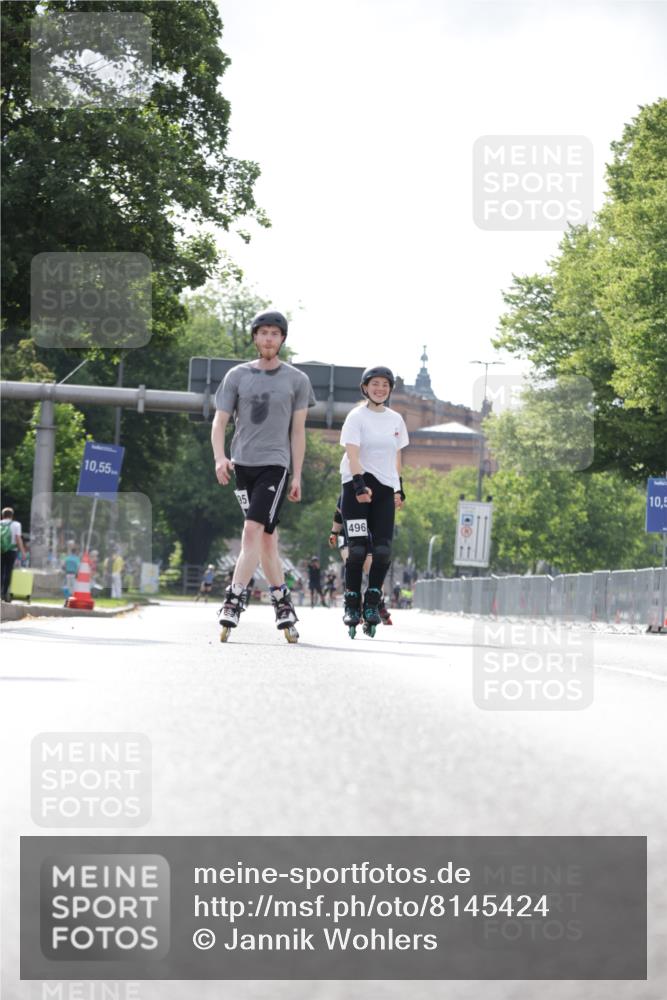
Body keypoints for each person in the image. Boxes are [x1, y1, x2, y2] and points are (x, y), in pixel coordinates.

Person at [211, 309, 316, 637]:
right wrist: (219, 458)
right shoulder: (236, 376)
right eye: (263, 332)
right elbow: (220, 422)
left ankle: (233, 598)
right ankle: (283, 603)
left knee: (251, 530)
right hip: (243, 464)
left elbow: (298, 432)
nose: (269, 338)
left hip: (275, 465)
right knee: (267, 540)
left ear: (282, 339)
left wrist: (296, 474)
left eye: (275, 333)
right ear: (255, 337)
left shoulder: (297, 380)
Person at [338, 366, 408, 631]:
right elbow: (352, 453)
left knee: (382, 550)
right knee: (356, 550)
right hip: (357, 485)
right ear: (365, 387)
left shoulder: (396, 420)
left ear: (390, 389)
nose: (380, 388)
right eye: (375, 384)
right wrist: (358, 485)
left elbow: (397, 456)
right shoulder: (357, 416)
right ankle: (351, 602)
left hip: (384, 488)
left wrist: (398, 488)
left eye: (384, 385)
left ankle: (372, 600)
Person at [328, 496, 393, 624]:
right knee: (352, 562)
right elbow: (338, 514)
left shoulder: (378, 488)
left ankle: (378, 603)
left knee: (372, 568)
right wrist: (334, 533)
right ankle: (353, 604)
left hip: (368, 537)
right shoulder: (348, 490)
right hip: (347, 536)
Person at [1, 507, 27, 602]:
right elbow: (18, 538)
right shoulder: (16, 524)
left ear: (2, 515)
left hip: (0, 550)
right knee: (8, 572)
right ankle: (4, 593)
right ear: (12, 516)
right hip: (11, 550)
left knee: (1, 571)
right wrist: (23, 551)